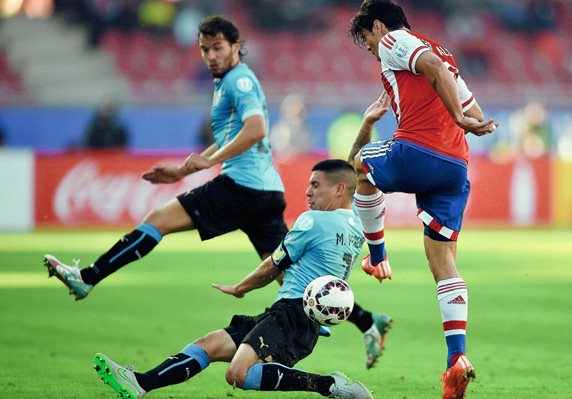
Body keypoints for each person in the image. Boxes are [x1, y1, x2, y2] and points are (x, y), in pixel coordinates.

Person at [44, 15, 390, 369]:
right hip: (264, 192)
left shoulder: (238, 81)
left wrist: (209, 163)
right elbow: (232, 138)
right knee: (287, 271)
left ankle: (89, 277)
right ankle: (364, 321)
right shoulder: (228, 82)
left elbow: (255, 130)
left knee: (158, 220)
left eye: (218, 48)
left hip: (242, 186)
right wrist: (183, 169)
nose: (211, 55)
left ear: (237, 47)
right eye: (204, 49)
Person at [92, 160, 373, 399]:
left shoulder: (314, 221)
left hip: (293, 313)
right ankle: (141, 384)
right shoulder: (357, 224)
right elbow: (352, 168)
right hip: (298, 315)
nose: (307, 191)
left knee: (238, 374)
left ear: (338, 189)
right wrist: (368, 124)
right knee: (210, 344)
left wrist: (241, 287)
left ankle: (330, 385)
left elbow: (273, 265)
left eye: (315, 185)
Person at [347, 1, 497, 398]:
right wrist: (469, 122)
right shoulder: (444, 51)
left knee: (357, 168)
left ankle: (377, 257)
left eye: (366, 42)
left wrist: (461, 120)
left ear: (378, 26)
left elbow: (431, 69)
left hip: (418, 150)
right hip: (454, 167)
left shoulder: (396, 40)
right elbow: (472, 107)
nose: (370, 51)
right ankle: (456, 361)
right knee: (443, 261)